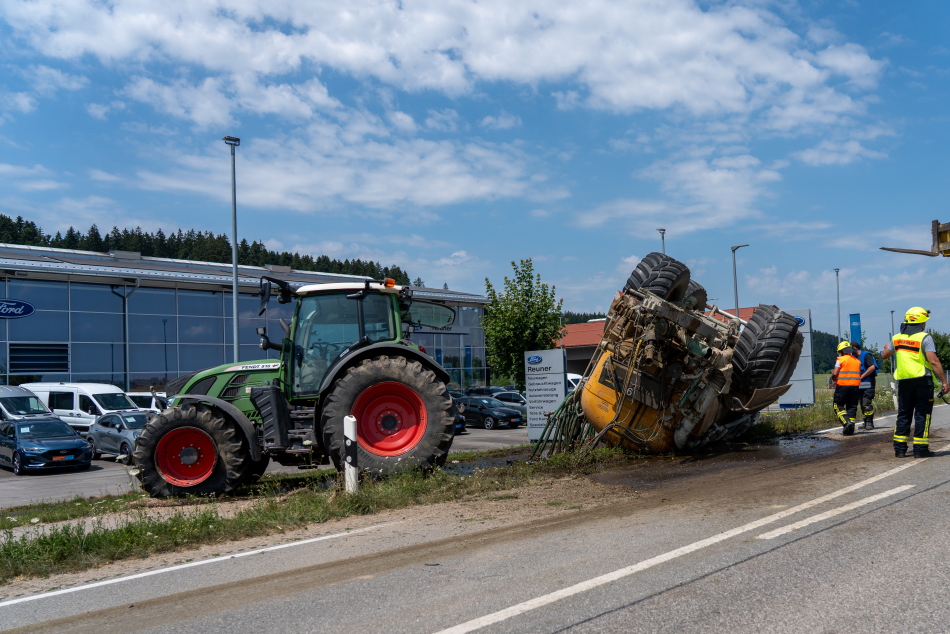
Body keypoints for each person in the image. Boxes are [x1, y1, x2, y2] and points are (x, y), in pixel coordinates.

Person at [882, 307, 950, 458]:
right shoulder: (925, 338)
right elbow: (933, 361)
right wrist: (944, 382)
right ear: (922, 323)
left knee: (903, 415)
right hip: (922, 382)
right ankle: (920, 450)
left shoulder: (897, 338)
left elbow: (885, 355)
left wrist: (888, 346)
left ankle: (900, 450)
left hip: (904, 382)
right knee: (922, 415)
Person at [831, 341, 863, 436]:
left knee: (837, 405)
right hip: (855, 387)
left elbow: (835, 373)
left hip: (843, 386)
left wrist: (833, 378)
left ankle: (846, 423)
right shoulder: (857, 361)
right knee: (852, 407)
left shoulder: (840, 359)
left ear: (841, 351)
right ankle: (850, 429)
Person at [851, 341, 878, 429]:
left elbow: (872, 367)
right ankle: (865, 421)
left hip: (868, 383)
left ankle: (869, 422)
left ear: (854, 348)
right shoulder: (854, 357)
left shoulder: (866, 355)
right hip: (859, 385)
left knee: (866, 403)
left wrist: (861, 377)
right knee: (862, 403)